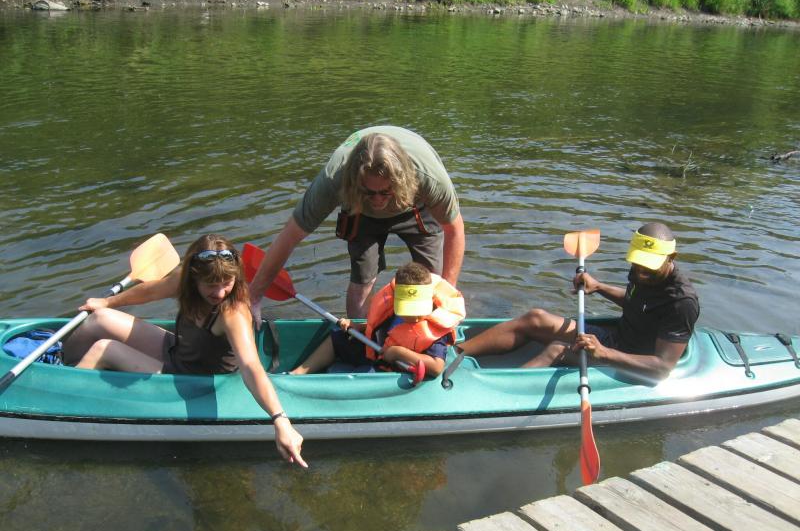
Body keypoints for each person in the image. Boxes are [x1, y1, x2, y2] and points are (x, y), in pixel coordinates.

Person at [63, 234, 307, 467]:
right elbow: (150, 291)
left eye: (227, 283)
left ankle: (63, 398)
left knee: (105, 349)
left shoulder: (233, 313)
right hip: (179, 349)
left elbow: (251, 365)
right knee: (100, 319)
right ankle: (63, 364)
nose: (220, 293)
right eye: (211, 285)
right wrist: (106, 302)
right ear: (194, 277)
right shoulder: (184, 281)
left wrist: (280, 420)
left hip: (192, 376)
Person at [249, 126, 465, 320]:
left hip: (413, 204)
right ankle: (362, 338)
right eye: (370, 191)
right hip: (359, 208)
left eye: (384, 191)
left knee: (431, 280)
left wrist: (447, 297)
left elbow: (454, 230)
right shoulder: (335, 178)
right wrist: (254, 297)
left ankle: (428, 335)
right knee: (362, 281)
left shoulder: (428, 178)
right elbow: (290, 236)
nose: (378, 200)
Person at [459, 222, 700, 380]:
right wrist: (600, 287)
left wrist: (604, 353)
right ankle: (455, 352)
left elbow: (662, 367)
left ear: (672, 257)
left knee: (557, 349)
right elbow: (638, 304)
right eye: (638, 264)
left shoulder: (682, 303)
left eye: (649, 267)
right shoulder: (643, 269)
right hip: (617, 338)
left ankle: (499, 391)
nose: (642, 272)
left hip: (633, 360)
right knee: (536, 318)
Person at [290, 262, 465, 378]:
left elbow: (436, 367)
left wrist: (398, 352)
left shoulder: (435, 329)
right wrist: (359, 327)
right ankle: (296, 374)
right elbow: (383, 327)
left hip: (396, 367)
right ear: (396, 300)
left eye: (419, 310)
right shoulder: (391, 306)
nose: (416, 316)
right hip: (376, 350)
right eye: (409, 310)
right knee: (338, 337)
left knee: (366, 376)